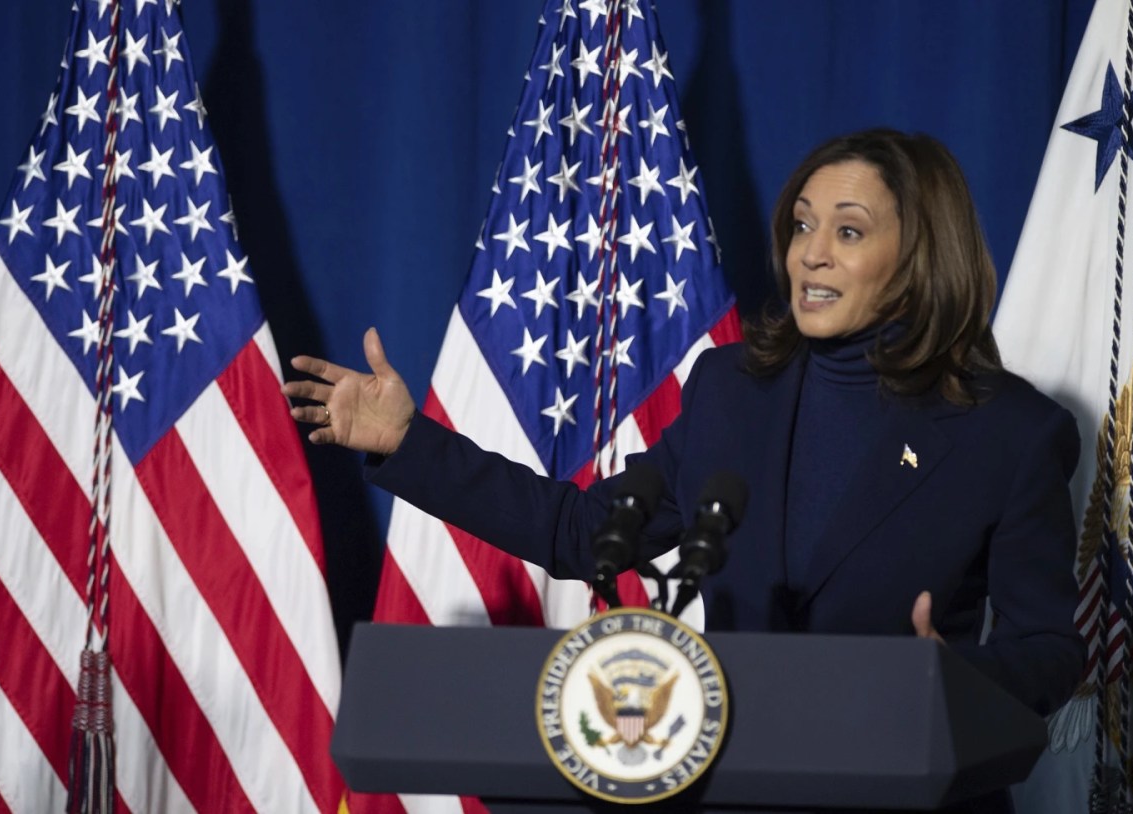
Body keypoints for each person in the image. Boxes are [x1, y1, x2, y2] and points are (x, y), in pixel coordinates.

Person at [283, 129, 1085, 727]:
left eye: (847, 231)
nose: (810, 255)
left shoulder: (1008, 434)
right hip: (742, 784)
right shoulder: (732, 391)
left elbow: (1051, 649)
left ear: (919, 256)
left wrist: (960, 682)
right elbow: (583, 529)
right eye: (802, 225)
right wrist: (408, 444)